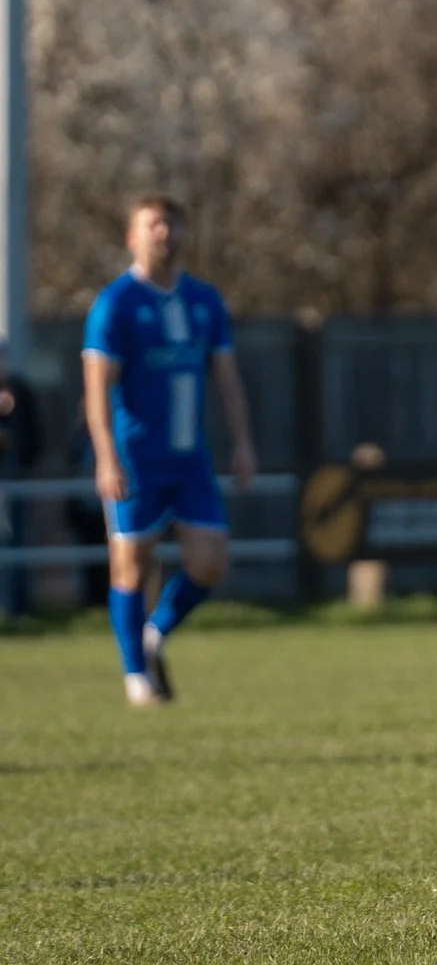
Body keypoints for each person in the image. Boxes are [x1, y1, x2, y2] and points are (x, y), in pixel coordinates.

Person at [82, 196, 257, 705]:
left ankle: (154, 634)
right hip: (136, 458)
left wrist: (243, 442)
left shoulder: (204, 300)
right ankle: (136, 677)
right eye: (153, 225)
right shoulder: (116, 303)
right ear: (131, 237)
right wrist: (106, 456)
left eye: (172, 224)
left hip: (189, 458)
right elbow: (96, 388)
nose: (164, 233)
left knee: (211, 562)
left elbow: (227, 378)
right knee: (130, 565)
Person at [0, 337, 47, 616]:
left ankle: (16, 607)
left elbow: (34, 435)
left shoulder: (21, 390)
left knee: (16, 540)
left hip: (16, 478)